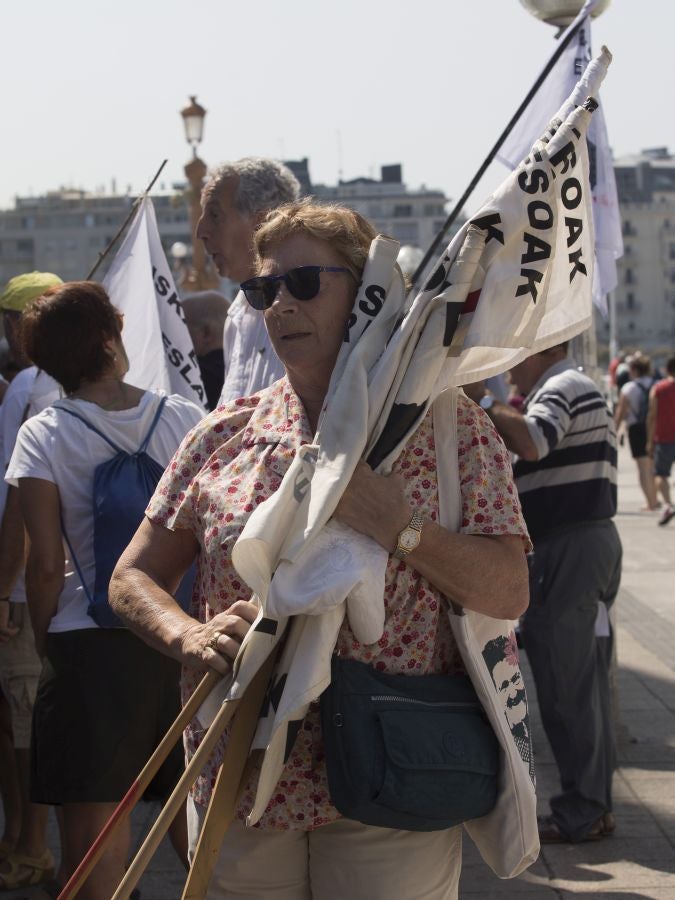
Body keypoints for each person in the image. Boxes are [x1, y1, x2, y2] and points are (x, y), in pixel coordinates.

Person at [110, 201, 531, 899]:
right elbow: (133, 578)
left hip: (393, 771)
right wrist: (190, 635)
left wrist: (404, 530)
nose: (278, 306)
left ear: (370, 295)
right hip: (240, 775)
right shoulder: (221, 437)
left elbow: (507, 591)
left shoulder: (452, 431)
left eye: (303, 284)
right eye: (261, 290)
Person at [6, 281, 203, 899]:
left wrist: (47, 644)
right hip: (184, 638)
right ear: (113, 341)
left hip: (89, 643)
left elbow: (42, 562)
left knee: (95, 847)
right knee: (197, 818)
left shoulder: (45, 432)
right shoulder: (185, 418)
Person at [467, 344, 622, 844]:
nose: (510, 360)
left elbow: (534, 441)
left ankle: (583, 810)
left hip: (568, 549)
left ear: (547, 347)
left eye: (520, 348)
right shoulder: (567, 386)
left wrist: (483, 401)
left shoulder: (564, 386)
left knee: (567, 687)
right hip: (578, 547)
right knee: (583, 684)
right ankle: (592, 806)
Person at [0, 271, 63, 892]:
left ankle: (31, 845)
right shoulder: (44, 387)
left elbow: (20, 500)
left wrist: (4, 590)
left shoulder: (30, 387)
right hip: (37, 582)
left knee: (26, 722)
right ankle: (24, 837)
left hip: (24, 589)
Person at [196, 157, 301, 404]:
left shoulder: (307, 308)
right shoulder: (236, 316)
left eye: (215, 215)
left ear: (263, 224)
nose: (201, 231)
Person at [614, 354, 658, 511]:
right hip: (654, 427)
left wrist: (614, 431)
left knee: (642, 467)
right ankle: (656, 498)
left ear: (634, 370)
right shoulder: (656, 384)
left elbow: (620, 413)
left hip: (636, 429)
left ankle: (650, 502)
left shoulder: (629, 388)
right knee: (653, 466)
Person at [180, 291, 230, 410]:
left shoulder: (189, 375)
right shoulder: (249, 369)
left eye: (181, 328)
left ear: (206, 333)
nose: (176, 336)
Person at [647, 355, 675, 526]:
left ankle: (668, 505)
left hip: (664, 437)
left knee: (660, 474)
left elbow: (652, 416)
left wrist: (649, 441)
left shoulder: (658, 389)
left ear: (667, 370)